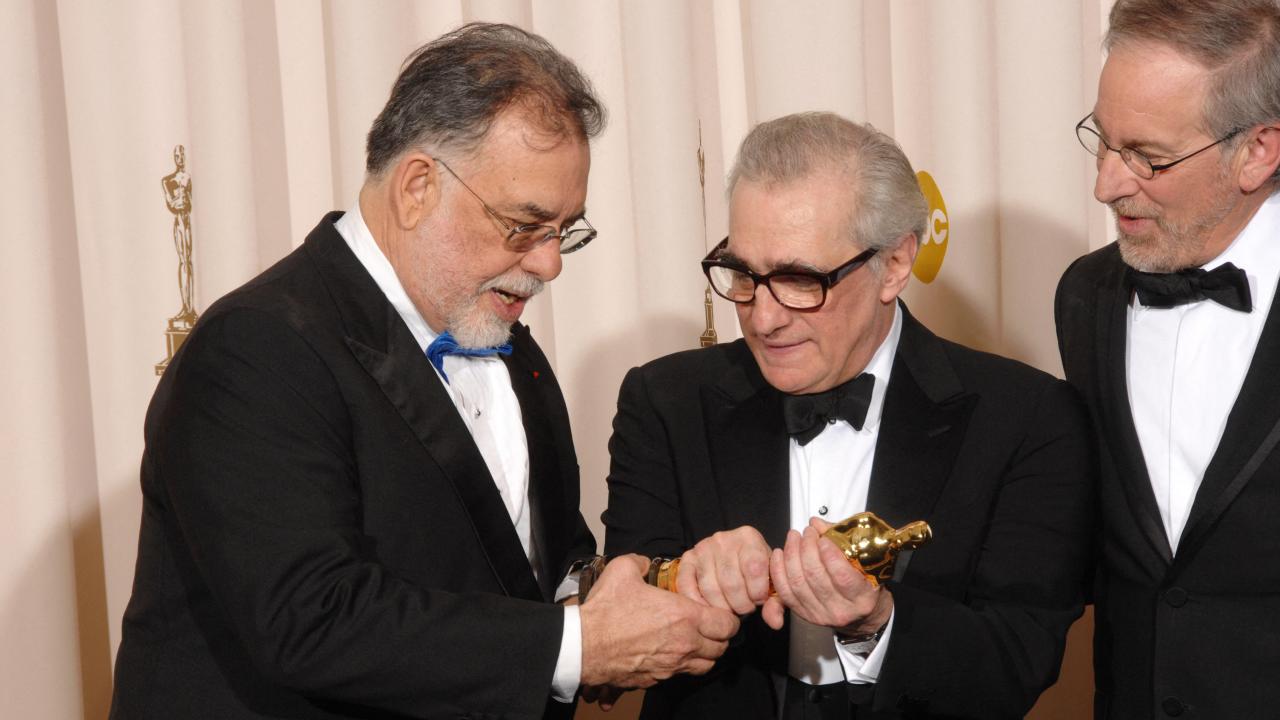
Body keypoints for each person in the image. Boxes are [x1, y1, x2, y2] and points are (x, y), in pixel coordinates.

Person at [109, 23, 738, 720]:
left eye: (565, 231)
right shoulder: (257, 346)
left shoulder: (510, 346)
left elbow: (524, 580)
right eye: (524, 226)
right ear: (416, 186)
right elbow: (309, 619)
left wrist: (647, 596)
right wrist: (577, 646)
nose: (550, 263)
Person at [604, 112, 1095, 719]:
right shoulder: (663, 400)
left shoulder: (1027, 417)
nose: (763, 318)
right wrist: (687, 580)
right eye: (744, 275)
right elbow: (623, 622)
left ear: (894, 264)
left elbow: (1018, 658)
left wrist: (877, 622)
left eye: (801, 279)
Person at [1056, 1, 1280, 717]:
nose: (1107, 186)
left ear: (1258, 152)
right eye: (1103, 141)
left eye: (1148, 158)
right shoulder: (1085, 294)